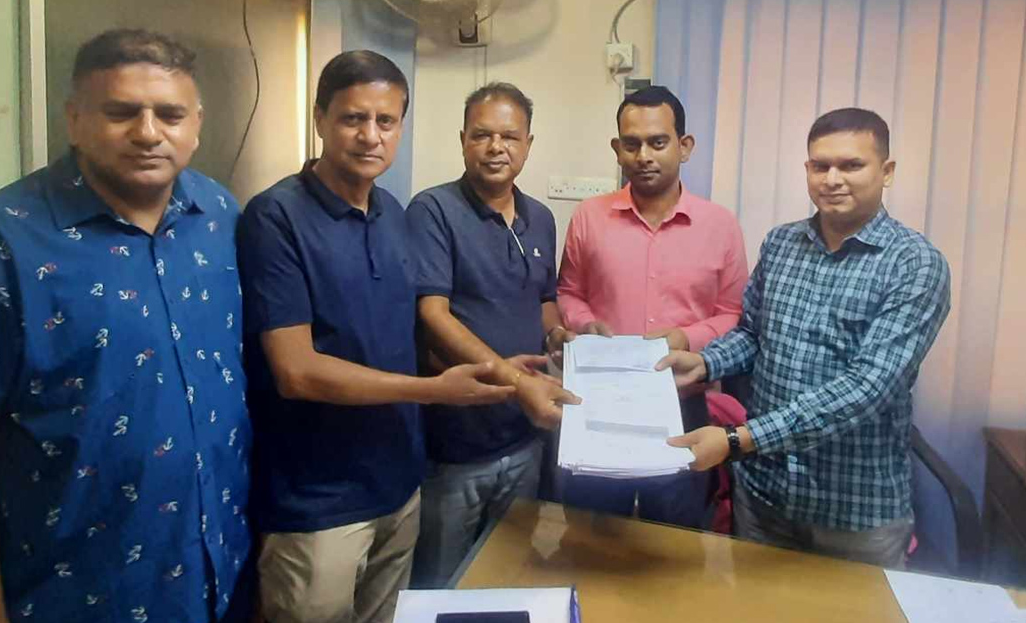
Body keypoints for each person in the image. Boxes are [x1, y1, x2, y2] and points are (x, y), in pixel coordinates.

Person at [0, 29, 253, 623]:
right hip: (73, 595)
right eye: (121, 112)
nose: (148, 132)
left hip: (216, 580)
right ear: (74, 120)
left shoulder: (219, 216)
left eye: (170, 115)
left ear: (196, 124)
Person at [238, 51, 520, 623]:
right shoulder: (275, 217)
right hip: (317, 501)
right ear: (320, 119)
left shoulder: (392, 213)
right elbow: (296, 371)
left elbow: (402, 330)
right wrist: (435, 391)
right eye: (353, 118)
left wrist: (501, 367)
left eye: (386, 121)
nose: (371, 136)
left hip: (399, 485)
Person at [660, 107, 951, 567]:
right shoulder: (781, 244)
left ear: (887, 171)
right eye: (821, 165)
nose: (833, 179)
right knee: (756, 603)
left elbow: (866, 388)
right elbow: (753, 334)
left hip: (854, 510)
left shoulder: (914, 264)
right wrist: (706, 362)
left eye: (851, 165)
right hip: (765, 495)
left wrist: (738, 440)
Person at [406, 82, 580, 588]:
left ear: (529, 144)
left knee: (506, 575)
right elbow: (433, 314)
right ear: (463, 140)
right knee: (441, 583)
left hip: (525, 436)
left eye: (509, 136)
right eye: (482, 135)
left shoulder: (540, 217)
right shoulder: (433, 210)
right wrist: (513, 379)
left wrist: (559, 333)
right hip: (458, 443)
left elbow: (543, 299)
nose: (495, 147)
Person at [556, 85, 748, 527]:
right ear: (617, 149)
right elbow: (568, 291)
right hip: (599, 404)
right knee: (592, 534)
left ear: (685, 146)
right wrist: (586, 323)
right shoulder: (589, 217)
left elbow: (734, 314)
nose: (643, 155)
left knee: (676, 541)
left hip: (682, 405)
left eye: (658, 142)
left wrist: (685, 338)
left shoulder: (720, 225)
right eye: (632, 144)